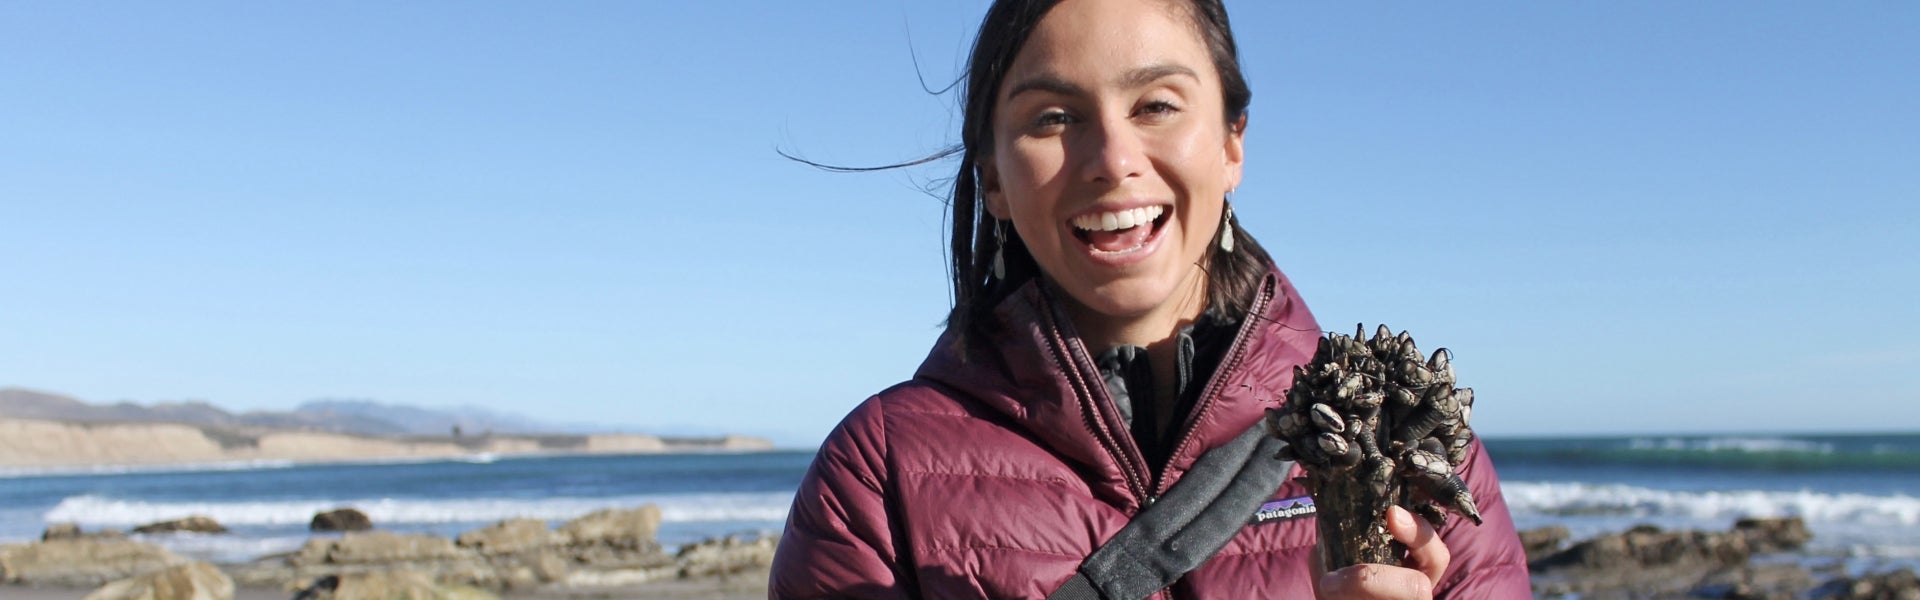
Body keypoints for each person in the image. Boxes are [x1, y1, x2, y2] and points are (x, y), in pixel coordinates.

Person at [770, 0, 1530, 597]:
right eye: (1053, 118)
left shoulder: (1407, 446)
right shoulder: (878, 477)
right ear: (994, 178)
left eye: (1157, 105)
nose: (1112, 160)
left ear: (1233, 141)